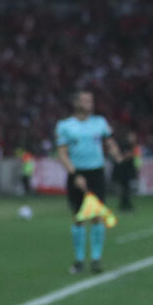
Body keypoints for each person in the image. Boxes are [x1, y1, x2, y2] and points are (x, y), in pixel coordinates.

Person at [55, 90, 122, 274]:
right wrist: (75, 175)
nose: (89, 104)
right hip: (77, 173)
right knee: (78, 217)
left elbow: (109, 142)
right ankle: (79, 260)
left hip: (96, 173)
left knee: (97, 215)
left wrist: (116, 153)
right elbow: (62, 154)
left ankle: (96, 259)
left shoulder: (100, 122)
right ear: (76, 103)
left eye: (91, 101)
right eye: (85, 101)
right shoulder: (65, 126)